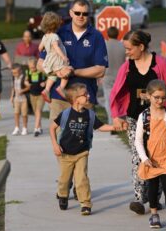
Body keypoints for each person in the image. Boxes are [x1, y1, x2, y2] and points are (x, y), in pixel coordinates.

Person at [110, 30, 166, 215]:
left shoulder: (160, 64)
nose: (127, 52)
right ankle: (140, 199)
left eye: (129, 48)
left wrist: (157, 96)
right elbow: (116, 91)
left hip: (158, 120)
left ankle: (154, 199)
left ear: (141, 47)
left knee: (158, 157)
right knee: (138, 156)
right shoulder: (127, 66)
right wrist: (116, 115)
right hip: (134, 118)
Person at [49, 83, 119, 216]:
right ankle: (63, 195)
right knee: (64, 179)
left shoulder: (90, 115)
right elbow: (52, 128)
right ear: (76, 99)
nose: (88, 96)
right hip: (65, 153)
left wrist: (114, 127)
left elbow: (100, 126)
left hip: (82, 152)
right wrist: (55, 145)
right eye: (85, 94)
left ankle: (85, 204)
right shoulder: (65, 114)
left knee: (82, 179)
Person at [41, 0, 108, 122]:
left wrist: (73, 72)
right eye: (77, 13)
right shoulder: (58, 33)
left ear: (89, 15)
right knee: (58, 138)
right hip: (59, 99)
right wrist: (58, 72)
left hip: (85, 99)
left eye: (85, 13)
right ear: (71, 13)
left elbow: (100, 70)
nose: (81, 16)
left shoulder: (96, 36)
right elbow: (41, 63)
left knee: (83, 140)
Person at [135, 80, 166, 230]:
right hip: (151, 158)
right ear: (149, 96)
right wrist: (144, 159)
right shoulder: (144, 116)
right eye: (156, 97)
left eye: (163, 98)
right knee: (153, 186)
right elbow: (138, 140)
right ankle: (154, 215)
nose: (160, 101)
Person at [38, 11, 71, 102]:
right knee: (65, 73)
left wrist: (44, 48)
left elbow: (40, 48)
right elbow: (56, 47)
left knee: (52, 77)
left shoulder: (45, 36)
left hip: (49, 60)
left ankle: (47, 90)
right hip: (57, 59)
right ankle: (61, 87)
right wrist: (63, 57)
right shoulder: (54, 36)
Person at [103, 26, 126, 126]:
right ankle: (120, 120)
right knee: (120, 99)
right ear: (118, 34)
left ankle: (112, 122)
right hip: (120, 76)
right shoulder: (123, 46)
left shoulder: (104, 46)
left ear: (107, 34)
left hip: (107, 76)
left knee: (109, 100)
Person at [25, 57, 46, 137]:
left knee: (38, 111)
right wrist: (26, 83)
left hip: (41, 94)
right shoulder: (28, 72)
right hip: (32, 95)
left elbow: (50, 78)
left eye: (33, 67)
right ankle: (39, 127)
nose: (32, 69)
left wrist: (45, 83)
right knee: (36, 112)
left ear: (36, 65)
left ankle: (36, 128)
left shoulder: (41, 72)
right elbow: (26, 80)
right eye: (30, 67)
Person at [10, 63, 30, 135]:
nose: (14, 74)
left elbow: (28, 87)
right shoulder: (13, 78)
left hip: (23, 99)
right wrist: (11, 97)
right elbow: (13, 88)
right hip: (16, 99)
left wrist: (22, 91)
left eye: (16, 72)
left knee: (24, 114)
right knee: (16, 113)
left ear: (20, 71)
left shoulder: (24, 78)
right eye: (13, 73)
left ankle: (25, 128)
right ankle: (17, 127)